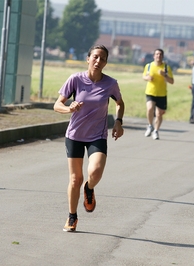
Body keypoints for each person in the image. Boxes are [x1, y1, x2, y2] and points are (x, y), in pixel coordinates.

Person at [54, 44, 125, 232]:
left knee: (95, 172)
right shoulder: (75, 79)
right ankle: (72, 217)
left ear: (106, 62)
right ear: (88, 59)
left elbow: (119, 102)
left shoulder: (110, 83)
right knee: (75, 179)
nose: (98, 61)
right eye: (95, 57)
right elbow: (57, 105)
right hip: (75, 135)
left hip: (97, 135)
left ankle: (89, 188)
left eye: (102, 58)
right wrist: (69, 108)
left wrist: (118, 121)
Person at [142, 48, 174, 140]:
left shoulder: (166, 68)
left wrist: (165, 75)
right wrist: (147, 78)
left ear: (162, 56)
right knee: (150, 108)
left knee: (159, 114)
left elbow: (172, 81)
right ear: (154, 56)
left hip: (162, 94)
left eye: (160, 54)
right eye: (157, 54)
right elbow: (144, 76)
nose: (158, 56)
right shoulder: (148, 66)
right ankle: (150, 125)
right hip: (150, 92)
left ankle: (156, 130)